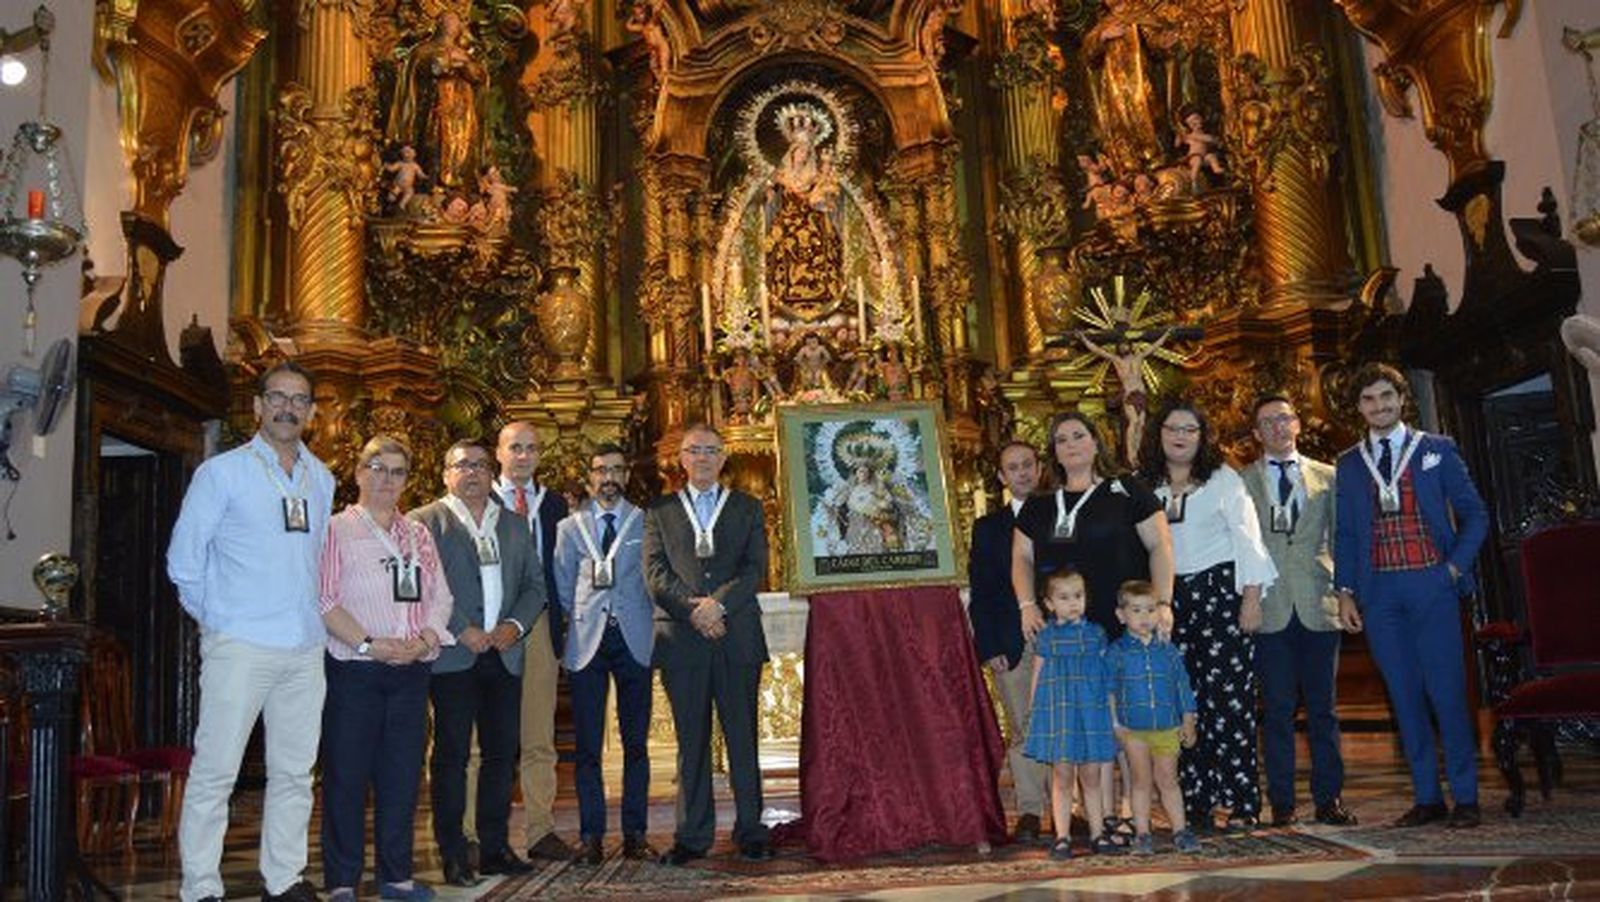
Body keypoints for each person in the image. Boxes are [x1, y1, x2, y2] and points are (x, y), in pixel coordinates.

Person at [166, 361, 335, 902]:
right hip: (240, 644)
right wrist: (219, 621)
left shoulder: (323, 478)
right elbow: (183, 562)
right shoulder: (223, 473)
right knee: (217, 771)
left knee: (294, 773)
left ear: (309, 412)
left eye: (299, 399)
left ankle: (283, 880)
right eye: (278, 397)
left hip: (305, 646)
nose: (288, 407)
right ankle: (201, 887)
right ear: (258, 406)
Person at [1334, 363, 1489, 829]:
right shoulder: (1349, 462)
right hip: (1379, 592)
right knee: (1403, 696)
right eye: (1368, 399)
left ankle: (1465, 797)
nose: (1378, 406)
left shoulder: (1437, 450)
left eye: (1386, 397)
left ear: (1402, 399)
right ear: (1359, 407)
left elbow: (1475, 514)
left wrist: (1453, 568)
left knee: (1446, 692)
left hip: (1432, 584)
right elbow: (1344, 534)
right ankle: (1427, 797)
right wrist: (1345, 591)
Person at [1012, 410, 1174, 844]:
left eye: (1079, 435)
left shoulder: (1127, 491)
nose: (1071, 445)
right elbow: (1021, 559)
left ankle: (1127, 811)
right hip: (1069, 637)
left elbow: (1159, 546)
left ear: (1096, 441)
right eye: (1061, 439)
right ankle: (1092, 817)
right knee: (1086, 725)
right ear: (1054, 451)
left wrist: (1163, 604)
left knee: (1122, 721)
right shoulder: (1040, 504)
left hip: (1123, 628)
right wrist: (1028, 604)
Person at [317, 436, 453, 902]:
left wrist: (425, 640)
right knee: (346, 778)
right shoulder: (335, 529)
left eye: (396, 472)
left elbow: (440, 595)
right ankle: (340, 883)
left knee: (401, 778)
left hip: (411, 672)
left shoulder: (418, 534)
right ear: (357, 473)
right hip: (355, 670)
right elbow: (325, 600)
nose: (385, 480)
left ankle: (396, 878)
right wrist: (370, 644)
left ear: (406, 481)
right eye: (377, 468)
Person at [1136, 399, 1275, 832]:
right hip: (1168, 603)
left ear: (1202, 436)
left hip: (1220, 598)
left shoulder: (1223, 479)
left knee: (1229, 704)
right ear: (1158, 435)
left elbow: (1248, 539)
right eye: (1172, 428)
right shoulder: (1146, 485)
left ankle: (1242, 801)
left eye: (1190, 429)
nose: (1180, 436)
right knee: (1182, 705)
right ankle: (1194, 799)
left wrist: (1251, 597)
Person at [411, 440, 543, 886]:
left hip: (503, 654)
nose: (472, 473)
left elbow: (534, 586)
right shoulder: (424, 522)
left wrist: (514, 626)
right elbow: (423, 589)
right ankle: (453, 853)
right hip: (453, 655)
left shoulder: (513, 524)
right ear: (446, 473)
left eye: (481, 466)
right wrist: (461, 627)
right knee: (450, 756)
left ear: (492, 473)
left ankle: (494, 847)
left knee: (502, 756)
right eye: (462, 465)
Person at [644, 424, 773, 864]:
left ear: (723, 459)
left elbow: (755, 567)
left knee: (742, 738)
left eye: (710, 451)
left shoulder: (747, 507)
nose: (701, 458)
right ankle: (692, 835)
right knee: (691, 742)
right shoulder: (659, 510)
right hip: (683, 640)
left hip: (736, 636)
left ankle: (752, 829)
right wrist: (692, 609)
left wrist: (718, 606)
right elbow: (655, 574)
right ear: (681, 459)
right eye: (693, 451)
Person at [1244, 396, 1356, 828]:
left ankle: (1330, 799)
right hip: (1269, 609)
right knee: (1276, 710)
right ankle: (1283, 803)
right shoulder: (1242, 482)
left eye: (1283, 418)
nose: (1276, 427)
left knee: (1324, 710)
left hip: (1318, 603)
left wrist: (1346, 593)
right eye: (1266, 422)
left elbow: (1342, 539)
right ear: (1256, 433)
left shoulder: (1328, 477)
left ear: (1296, 425)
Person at [554, 444, 657, 865]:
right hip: (587, 641)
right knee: (588, 747)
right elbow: (562, 583)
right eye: (600, 470)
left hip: (633, 638)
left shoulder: (644, 522)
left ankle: (635, 834)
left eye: (616, 470)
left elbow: (651, 577)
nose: (608, 477)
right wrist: (579, 617)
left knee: (636, 743)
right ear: (590, 477)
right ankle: (591, 836)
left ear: (627, 476)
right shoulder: (569, 527)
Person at [492, 422, 574, 862]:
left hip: (539, 624)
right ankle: (476, 834)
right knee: (481, 738)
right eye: (515, 448)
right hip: (491, 626)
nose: (523, 456)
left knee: (539, 733)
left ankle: (541, 831)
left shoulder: (554, 504)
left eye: (531, 449)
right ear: (499, 453)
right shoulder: (478, 499)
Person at [967, 441, 1050, 844]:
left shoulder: (1062, 515)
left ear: (1039, 469)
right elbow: (982, 593)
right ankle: (1032, 810)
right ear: (1001, 477)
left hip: (1063, 639)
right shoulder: (988, 529)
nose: (1021, 473)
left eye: (1027, 465)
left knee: (1066, 723)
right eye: (1012, 468)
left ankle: (1071, 808)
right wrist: (990, 646)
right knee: (1023, 729)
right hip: (1011, 642)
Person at [1022, 569, 1118, 860]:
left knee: (1091, 775)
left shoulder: (1096, 634)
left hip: (1090, 711)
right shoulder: (1047, 637)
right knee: (1062, 774)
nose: (1073, 602)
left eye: (1078, 596)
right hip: (1058, 713)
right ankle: (1061, 836)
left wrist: (1111, 712)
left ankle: (1097, 833)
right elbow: (1037, 675)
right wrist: (1034, 711)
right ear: (1049, 604)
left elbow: (1106, 676)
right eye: (1064, 598)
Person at [1107, 581, 1200, 855]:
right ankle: (1143, 833)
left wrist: (1188, 719)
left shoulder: (1168, 651)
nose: (1145, 617)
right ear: (1121, 615)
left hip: (1167, 727)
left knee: (1169, 780)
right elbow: (1109, 690)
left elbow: (1182, 685)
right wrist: (1115, 725)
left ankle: (1180, 830)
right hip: (1133, 730)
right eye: (1136, 610)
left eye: (1150, 609)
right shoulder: (1116, 652)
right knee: (1140, 781)